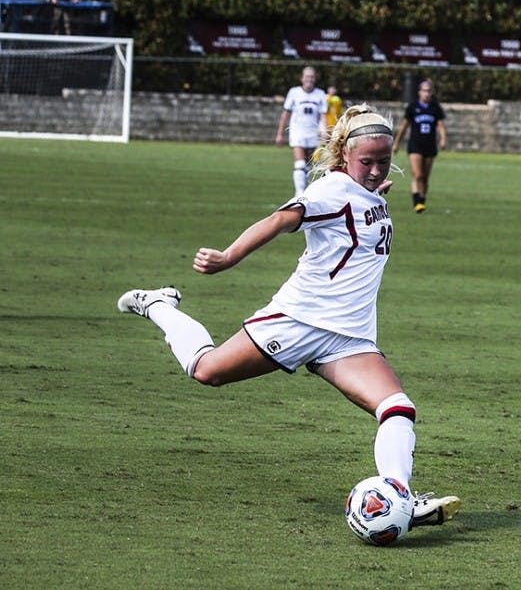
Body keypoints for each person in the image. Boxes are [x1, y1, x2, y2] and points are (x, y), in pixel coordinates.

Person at [117, 104, 461, 528]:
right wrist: (227, 257)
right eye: (367, 162)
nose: (375, 170)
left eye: (383, 161)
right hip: (299, 321)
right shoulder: (331, 191)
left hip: (348, 337)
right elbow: (280, 219)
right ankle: (158, 305)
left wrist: (373, 190)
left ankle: (398, 496)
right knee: (207, 370)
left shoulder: (364, 190)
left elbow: (359, 214)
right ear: (345, 154)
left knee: (397, 408)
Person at [393, 79, 447, 213]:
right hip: (415, 145)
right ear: (419, 92)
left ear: (431, 93)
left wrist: (443, 139)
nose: (426, 94)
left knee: (425, 177)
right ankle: (416, 202)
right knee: (417, 175)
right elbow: (404, 127)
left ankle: (422, 200)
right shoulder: (412, 107)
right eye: (424, 91)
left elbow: (441, 126)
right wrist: (397, 143)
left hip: (430, 145)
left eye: (429, 91)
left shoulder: (435, 107)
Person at [276, 67, 327, 197]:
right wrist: (279, 134)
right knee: (300, 164)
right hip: (297, 132)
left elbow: (323, 115)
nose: (309, 79)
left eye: (312, 77)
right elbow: (285, 114)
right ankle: (299, 194)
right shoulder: (294, 92)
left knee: (308, 166)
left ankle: (305, 193)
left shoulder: (320, 94)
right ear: (302, 78)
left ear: (314, 79)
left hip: (313, 133)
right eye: (307, 76)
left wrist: (324, 132)